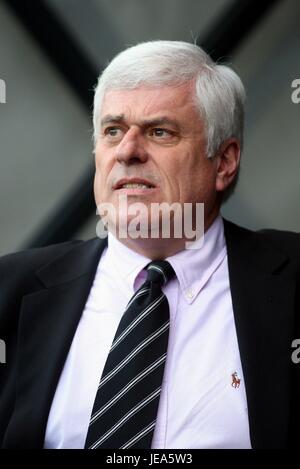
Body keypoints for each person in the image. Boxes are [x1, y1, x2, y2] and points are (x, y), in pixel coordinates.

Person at [0, 40, 299, 449]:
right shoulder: (10, 292)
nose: (127, 151)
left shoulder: (292, 282)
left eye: (160, 132)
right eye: (112, 131)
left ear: (224, 162)